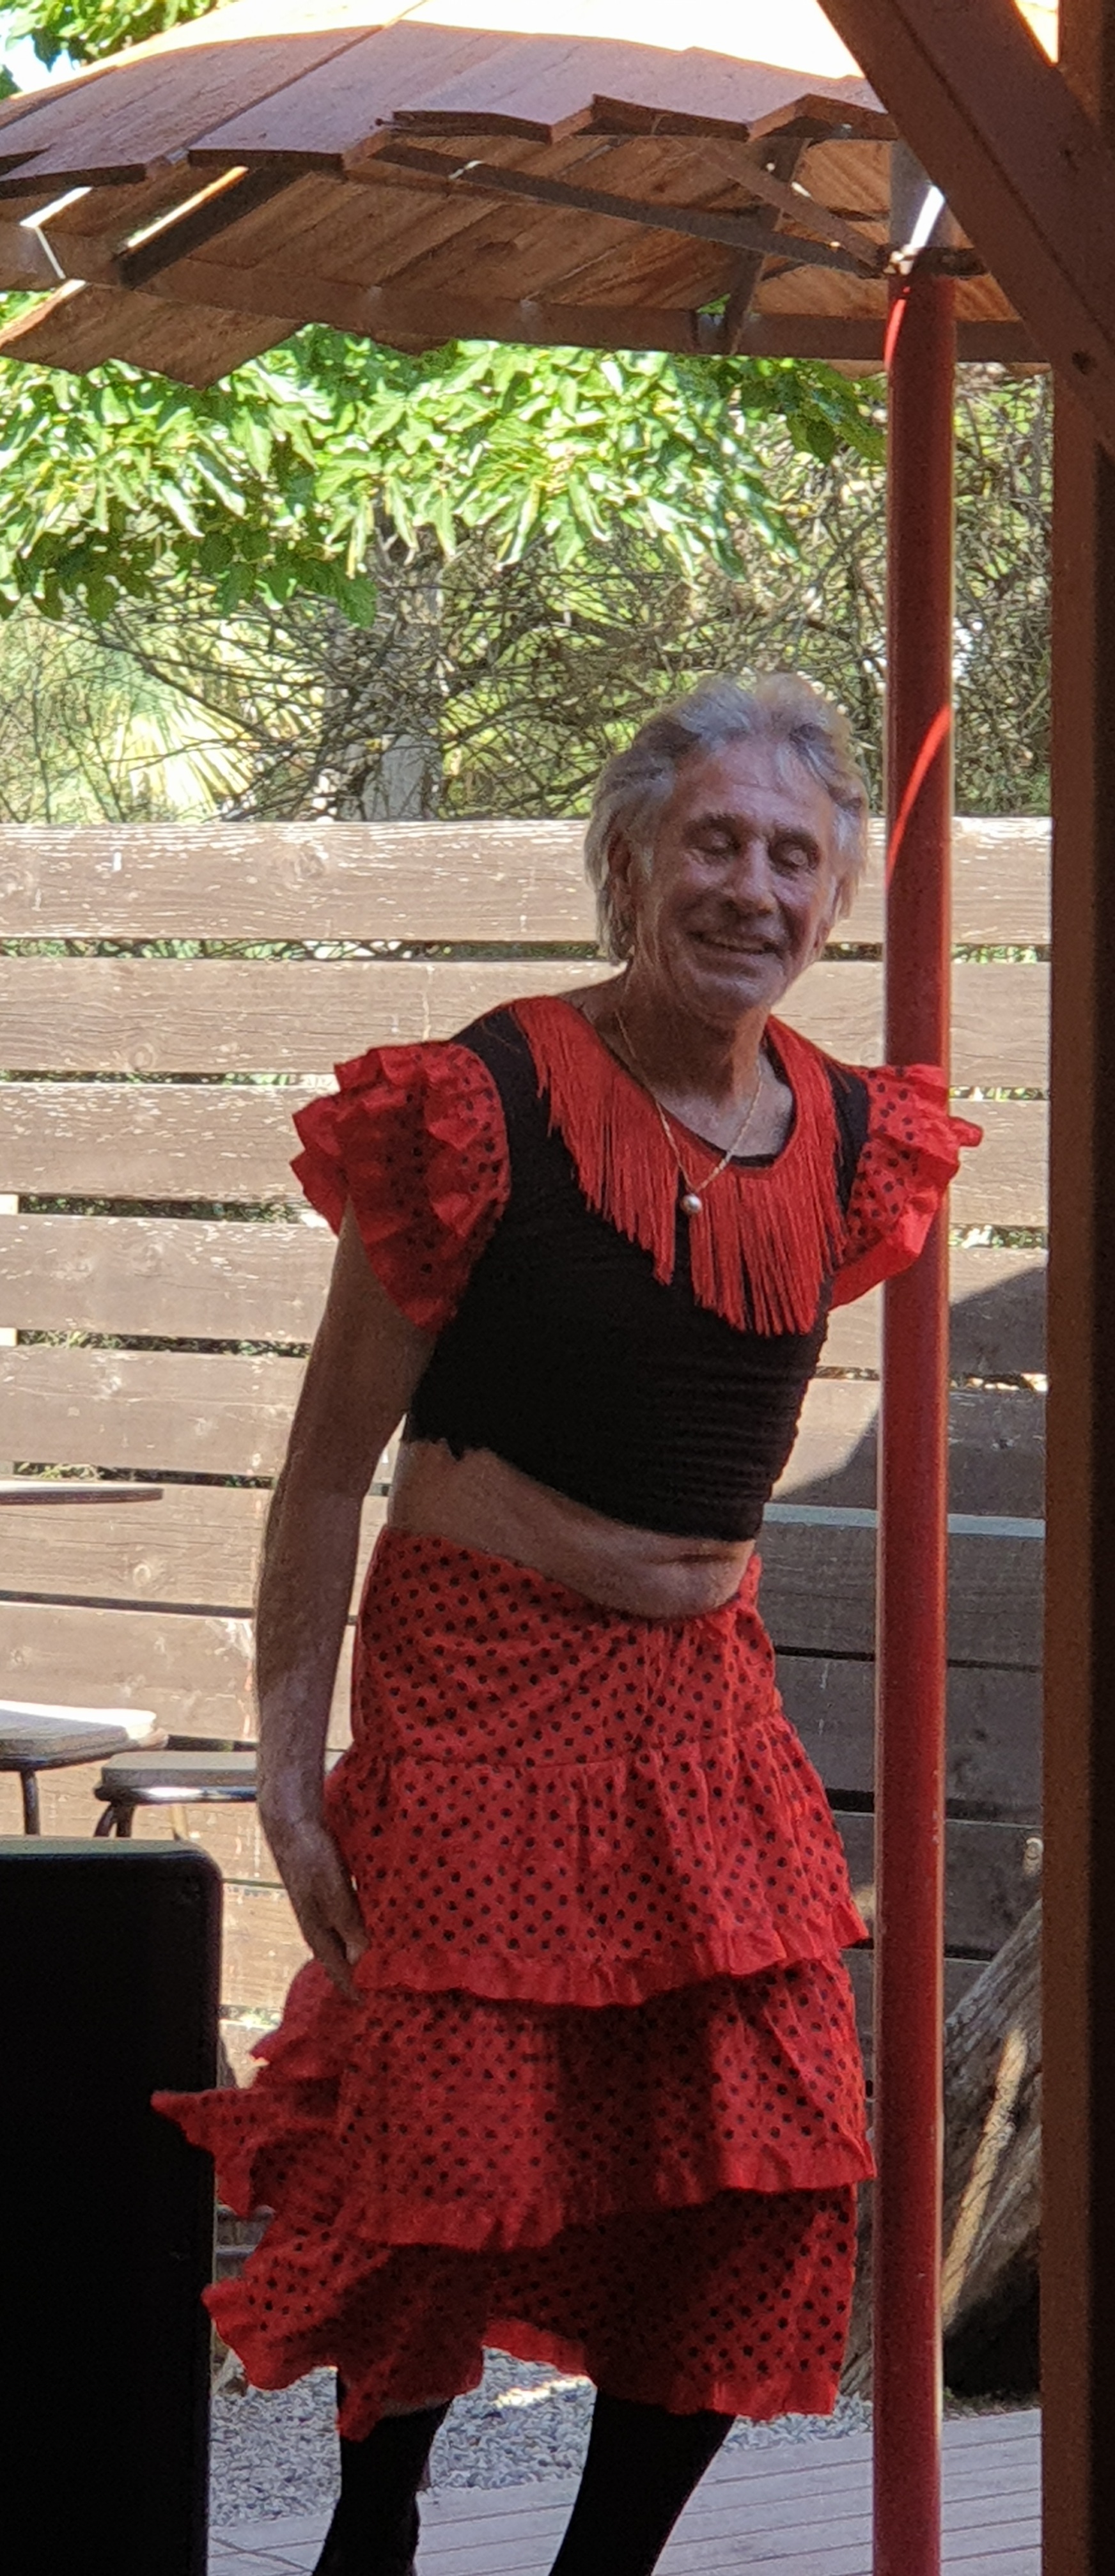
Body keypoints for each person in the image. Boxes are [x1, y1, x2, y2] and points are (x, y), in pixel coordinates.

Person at [160, 674, 979, 2576]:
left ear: (833, 896)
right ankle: (374, 2534)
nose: (753, 889)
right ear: (628, 864)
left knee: (775, 2157)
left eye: (795, 857)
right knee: (451, 2147)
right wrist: (290, 1782)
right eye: (715, 844)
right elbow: (323, 1474)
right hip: (479, 1670)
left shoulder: (857, 1137)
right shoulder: (479, 1104)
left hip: (703, 1691)